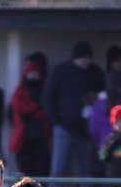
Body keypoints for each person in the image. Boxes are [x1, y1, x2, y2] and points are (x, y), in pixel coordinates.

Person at [44, 41, 105, 178]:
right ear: (74, 58)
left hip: (87, 130)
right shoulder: (61, 71)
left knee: (86, 170)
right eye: (81, 58)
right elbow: (48, 97)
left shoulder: (96, 72)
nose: (84, 61)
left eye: (87, 58)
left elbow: (102, 98)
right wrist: (56, 121)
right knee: (58, 169)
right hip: (63, 128)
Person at [9, 61, 51, 177]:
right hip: (24, 139)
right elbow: (17, 107)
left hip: (42, 138)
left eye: (35, 73)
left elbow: (49, 108)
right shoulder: (20, 91)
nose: (33, 76)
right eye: (30, 73)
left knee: (42, 171)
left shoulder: (45, 90)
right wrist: (36, 110)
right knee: (24, 172)